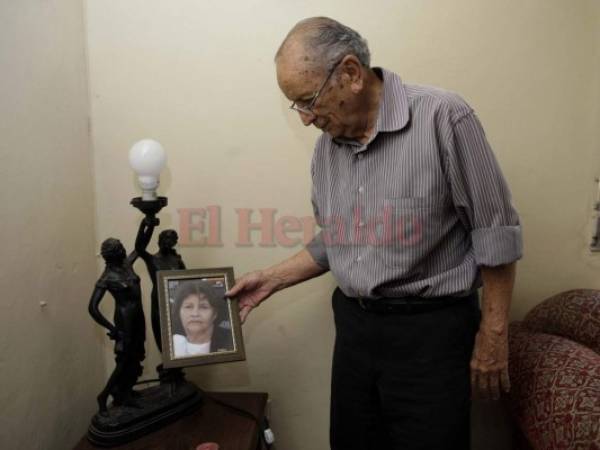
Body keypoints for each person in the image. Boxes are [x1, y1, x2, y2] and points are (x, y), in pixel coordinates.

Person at [226, 17, 522, 450]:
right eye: (297, 106)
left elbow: (495, 232)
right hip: (355, 332)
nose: (306, 119)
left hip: (431, 336)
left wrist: (494, 335)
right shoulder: (328, 149)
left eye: (308, 100)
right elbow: (338, 239)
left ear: (350, 73)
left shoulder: (444, 117)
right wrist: (270, 279)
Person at [88, 236, 146, 414]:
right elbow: (92, 308)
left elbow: (140, 246)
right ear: (111, 255)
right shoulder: (107, 277)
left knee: (135, 357)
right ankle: (104, 395)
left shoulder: (127, 264)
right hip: (124, 322)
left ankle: (124, 391)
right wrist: (112, 328)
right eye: (119, 248)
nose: (123, 250)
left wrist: (147, 222)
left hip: (138, 318)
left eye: (122, 246)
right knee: (123, 361)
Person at [171, 280, 233, 357]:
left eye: (203, 307)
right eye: (188, 307)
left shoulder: (230, 343)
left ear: (215, 314)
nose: (195, 314)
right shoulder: (171, 343)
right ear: (178, 312)